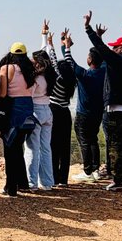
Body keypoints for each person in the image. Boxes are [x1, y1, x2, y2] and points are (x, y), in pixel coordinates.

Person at [84, 14, 122, 191]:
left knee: (116, 145)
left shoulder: (117, 60)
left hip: (116, 108)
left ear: (121, 48)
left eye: (116, 46)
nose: (114, 49)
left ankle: (118, 181)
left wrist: (88, 29)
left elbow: (100, 48)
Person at [62, 34, 106, 182]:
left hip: (84, 114)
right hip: (98, 113)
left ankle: (87, 172)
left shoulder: (86, 75)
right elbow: (71, 63)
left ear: (90, 60)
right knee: (93, 140)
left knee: (85, 141)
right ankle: (95, 170)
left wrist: (66, 47)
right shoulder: (103, 71)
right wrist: (98, 39)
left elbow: (70, 63)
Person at [0, 44, 37, 198]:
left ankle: (11, 187)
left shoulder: (6, 69)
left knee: (9, 150)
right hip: (28, 113)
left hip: (12, 113)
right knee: (18, 148)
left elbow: (3, 93)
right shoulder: (29, 69)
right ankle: (22, 183)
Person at [24, 24, 58, 192]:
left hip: (36, 111)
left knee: (32, 148)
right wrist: (44, 37)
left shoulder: (36, 79)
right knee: (46, 148)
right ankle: (47, 182)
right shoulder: (50, 76)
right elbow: (45, 54)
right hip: (47, 110)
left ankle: (32, 182)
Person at [48, 28, 78, 186]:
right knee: (65, 146)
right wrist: (66, 46)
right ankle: (63, 179)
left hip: (53, 110)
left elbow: (53, 62)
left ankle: (53, 177)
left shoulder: (58, 78)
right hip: (65, 112)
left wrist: (50, 44)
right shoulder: (71, 79)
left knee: (53, 144)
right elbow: (69, 62)